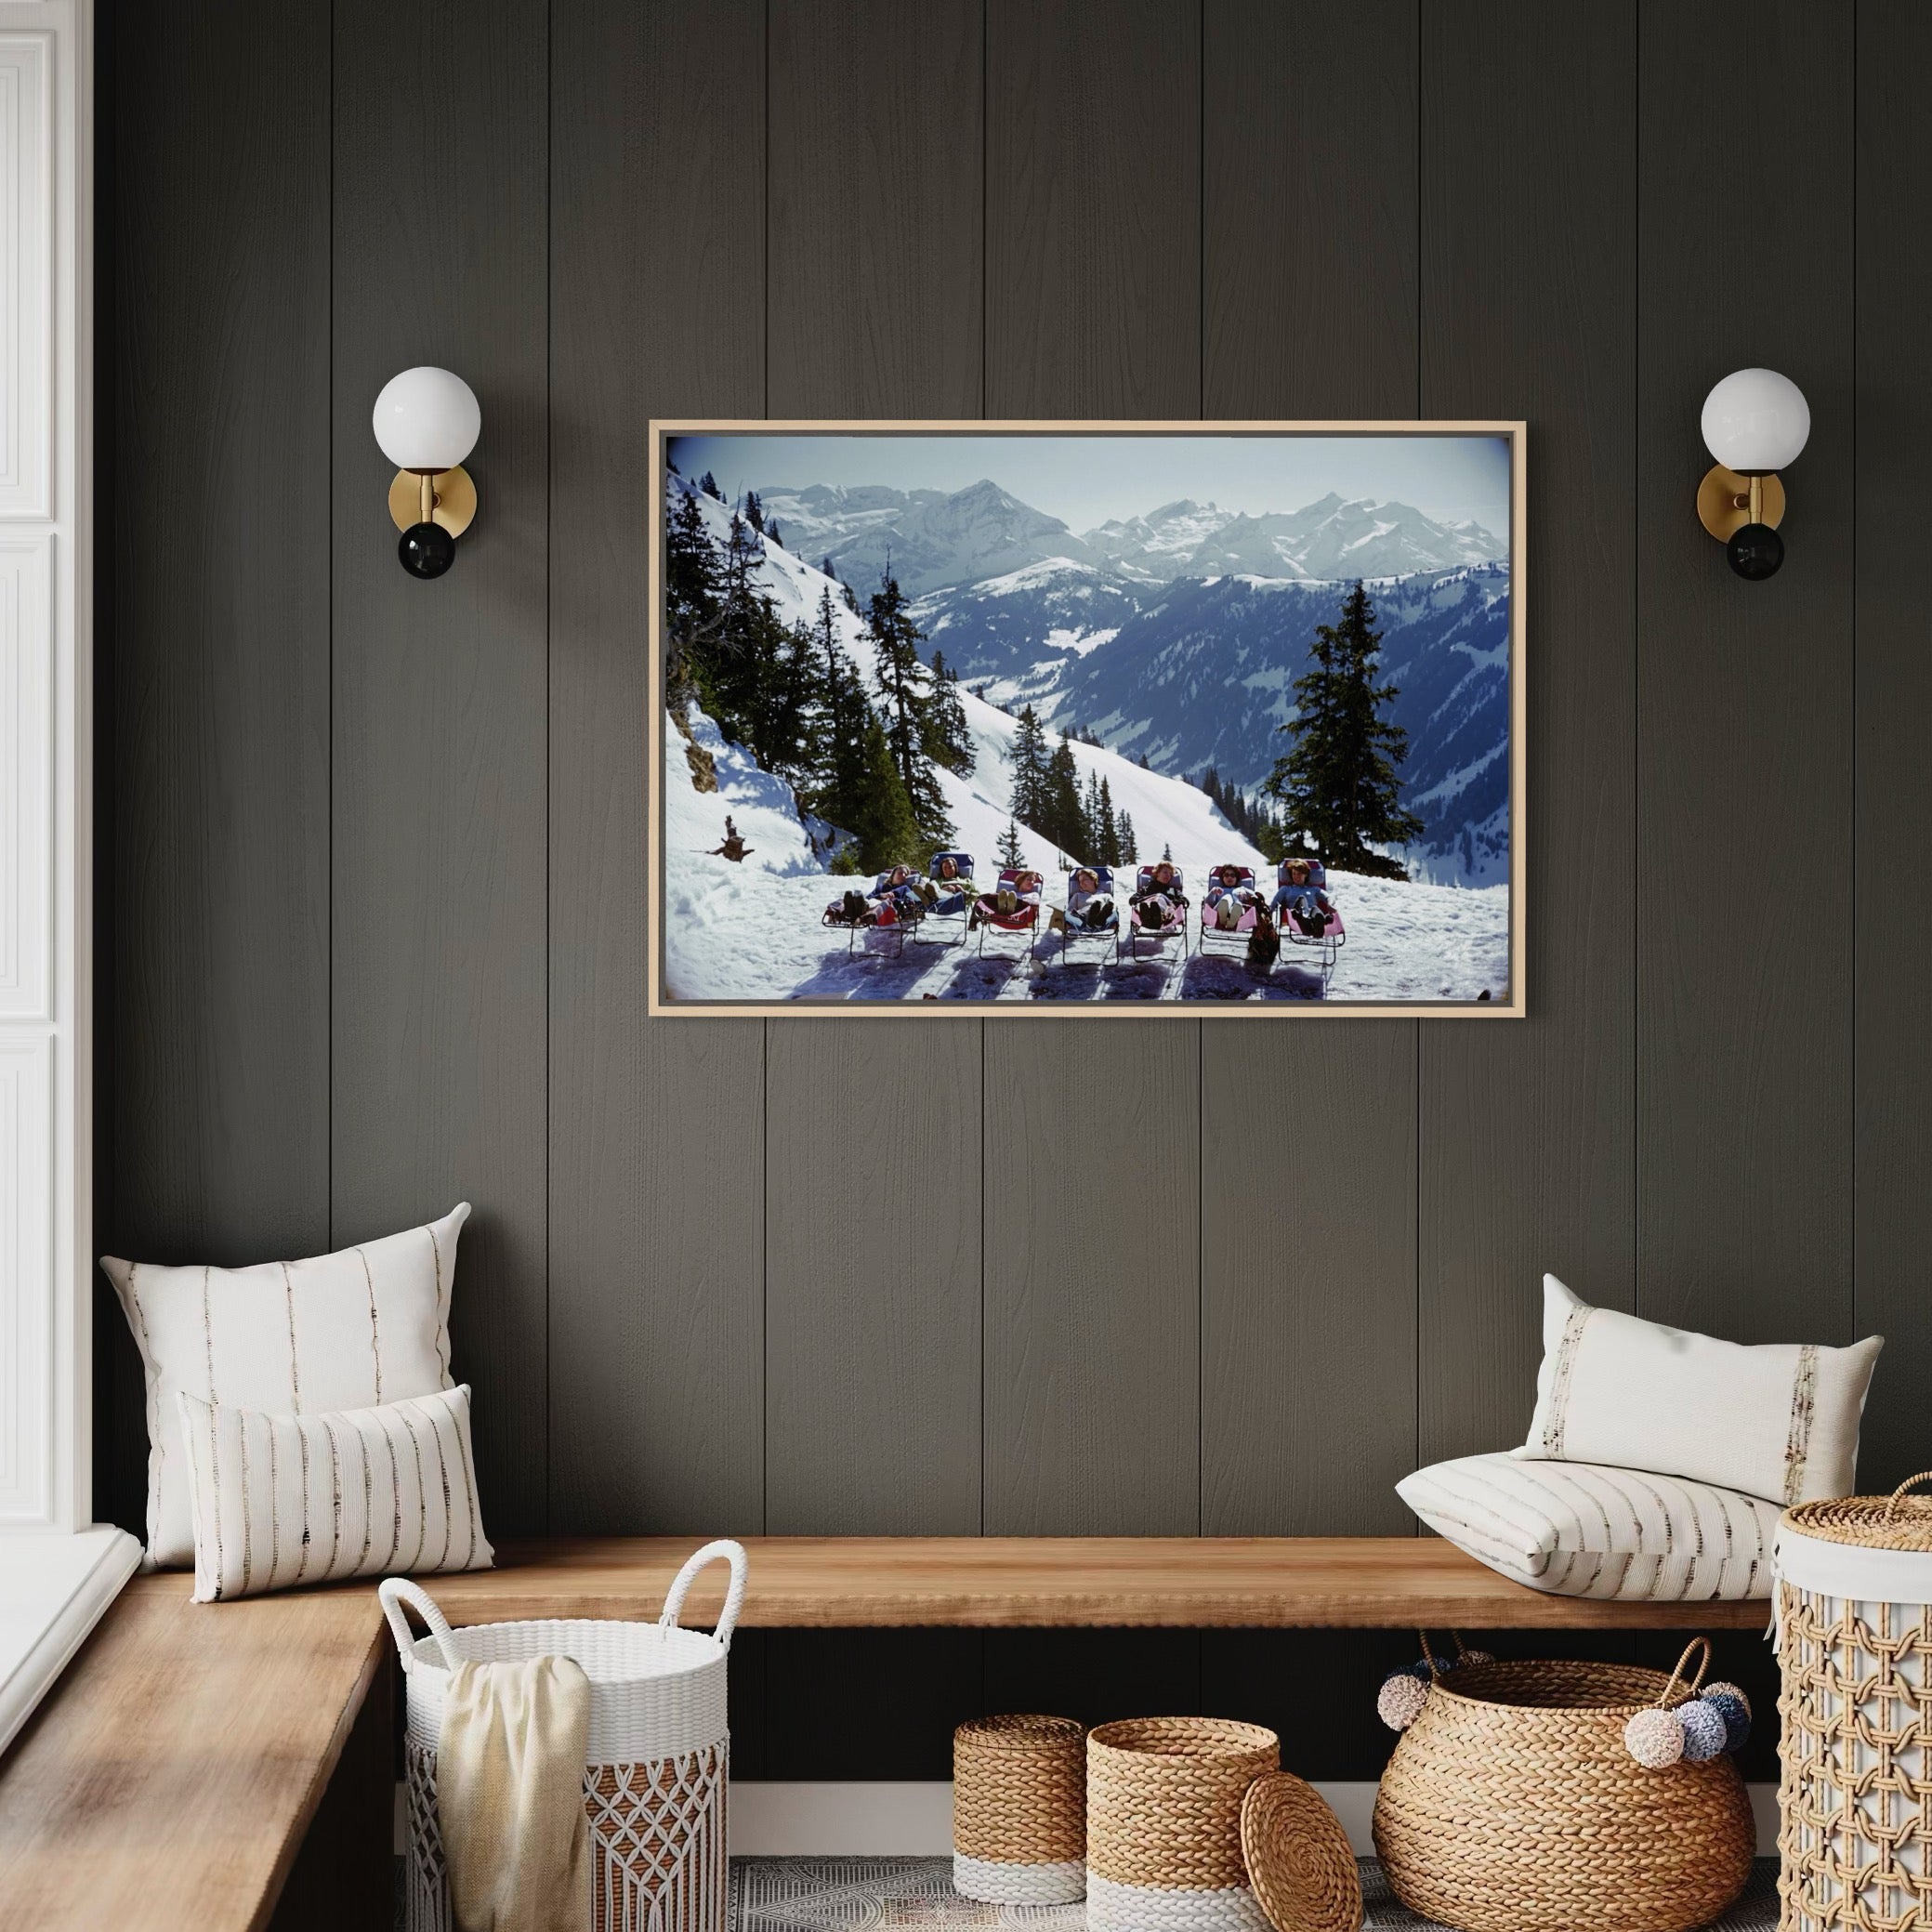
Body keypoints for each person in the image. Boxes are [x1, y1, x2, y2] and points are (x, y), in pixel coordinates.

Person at [1272, 858, 1334, 937]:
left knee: (1316, 910)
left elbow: (1328, 897)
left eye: (1299, 874)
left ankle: (1318, 925)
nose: (1296, 876)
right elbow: (1274, 904)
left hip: (1311, 915)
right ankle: (1310, 922)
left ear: (1306, 874)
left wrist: (1330, 904)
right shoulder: (1286, 889)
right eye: (1294, 874)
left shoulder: (1314, 889)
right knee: (1302, 899)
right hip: (1295, 916)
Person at [1054, 866, 1115, 933]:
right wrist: (1069, 922)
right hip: (1082, 920)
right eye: (1080, 881)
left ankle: (1098, 921)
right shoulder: (1077, 895)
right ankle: (1092, 921)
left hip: (1102, 919)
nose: (1081, 883)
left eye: (1084, 880)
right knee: (1095, 906)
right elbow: (1070, 911)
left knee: (1104, 905)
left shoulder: (1105, 895)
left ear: (1093, 879)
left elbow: (1112, 909)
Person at [972, 868, 1040, 927]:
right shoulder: (1009, 893)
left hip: (1021, 915)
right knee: (1006, 895)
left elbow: (1035, 903)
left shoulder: (1034, 894)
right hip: (1002, 913)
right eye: (1029, 879)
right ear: (1021, 880)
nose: (1032, 882)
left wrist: (1024, 901)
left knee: (1014, 899)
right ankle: (1003, 908)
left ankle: (1010, 909)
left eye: (1033, 881)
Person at [915, 854, 977, 918]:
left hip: (956, 903)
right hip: (938, 903)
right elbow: (931, 886)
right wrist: (945, 889)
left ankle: (928, 898)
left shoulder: (966, 881)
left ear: (955, 868)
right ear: (942, 870)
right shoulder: (938, 881)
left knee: (956, 894)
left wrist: (963, 891)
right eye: (945, 868)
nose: (948, 870)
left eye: (950, 867)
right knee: (932, 883)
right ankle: (928, 896)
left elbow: (977, 897)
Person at [1130, 860, 1183, 932]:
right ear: (1157, 873)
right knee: (1148, 901)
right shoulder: (1147, 888)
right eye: (1165, 872)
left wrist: (1176, 902)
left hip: (1167, 912)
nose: (1168, 875)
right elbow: (1134, 898)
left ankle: (1157, 915)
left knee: (1160, 898)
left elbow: (1183, 900)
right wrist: (1135, 900)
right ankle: (1149, 915)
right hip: (1147, 907)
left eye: (1170, 874)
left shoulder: (1173, 890)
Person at [1204, 863, 1257, 931]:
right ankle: (1223, 916)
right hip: (1218, 913)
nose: (1229, 878)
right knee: (1227, 898)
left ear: (1237, 878)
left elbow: (1255, 897)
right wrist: (1212, 892)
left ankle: (1232, 918)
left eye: (1233, 875)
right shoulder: (1218, 889)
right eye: (1226, 875)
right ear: (1222, 878)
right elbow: (1209, 904)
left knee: (1237, 905)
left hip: (1239, 914)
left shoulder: (1242, 889)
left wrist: (1246, 895)